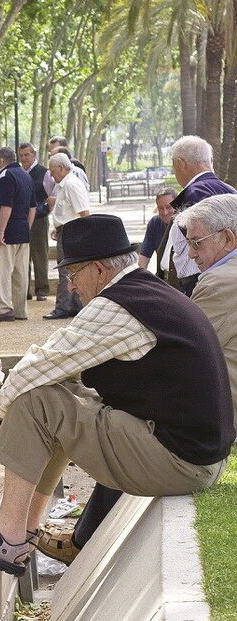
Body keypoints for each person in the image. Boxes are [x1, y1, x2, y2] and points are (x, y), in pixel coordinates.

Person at [0, 214, 233, 577]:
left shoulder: (117, 306)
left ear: (99, 270)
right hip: (195, 455)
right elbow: (62, 371)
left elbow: (36, 365)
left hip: (180, 462)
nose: (71, 287)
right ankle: (23, 524)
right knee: (58, 394)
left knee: (38, 399)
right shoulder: (146, 291)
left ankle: (10, 536)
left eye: (73, 274)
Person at [181, 194, 237, 430]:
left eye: (197, 243)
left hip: (218, 413)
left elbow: (182, 352)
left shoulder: (218, 283)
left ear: (227, 238)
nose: (191, 254)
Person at [161, 135, 236, 296]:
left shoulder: (195, 195)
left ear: (181, 164)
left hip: (200, 285)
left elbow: (206, 247)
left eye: (174, 167)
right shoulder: (230, 191)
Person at [0, 146, 34, 322]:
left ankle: (3, 309)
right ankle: (21, 310)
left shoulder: (6, 177)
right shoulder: (26, 175)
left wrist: (0, 231)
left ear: (1, 161)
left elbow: (6, 206)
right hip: (23, 231)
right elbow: (32, 207)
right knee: (21, 273)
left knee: (2, 272)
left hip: (7, 233)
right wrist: (26, 228)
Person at [44, 152, 90, 320]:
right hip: (66, 230)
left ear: (62, 168)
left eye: (52, 170)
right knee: (69, 270)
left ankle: (63, 307)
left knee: (66, 270)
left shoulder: (71, 184)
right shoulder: (65, 184)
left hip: (72, 232)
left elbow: (84, 212)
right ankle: (73, 305)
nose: (50, 174)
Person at [18, 142, 50, 302]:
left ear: (34, 155)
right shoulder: (17, 172)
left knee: (39, 255)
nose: (24, 158)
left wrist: (44, 210)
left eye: (27, 155)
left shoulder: (44, 173)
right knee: (22, 256)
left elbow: (51, 196)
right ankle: (25, 290)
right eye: (21, 155)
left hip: (38, 220)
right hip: (21, 220)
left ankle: (42, 290)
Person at [138, 187, 177, 274]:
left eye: (168, 207)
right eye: (161, 208)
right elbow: (144, 257)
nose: (165, 212)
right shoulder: (155, 223)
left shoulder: (186, 223)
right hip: (163, 275)